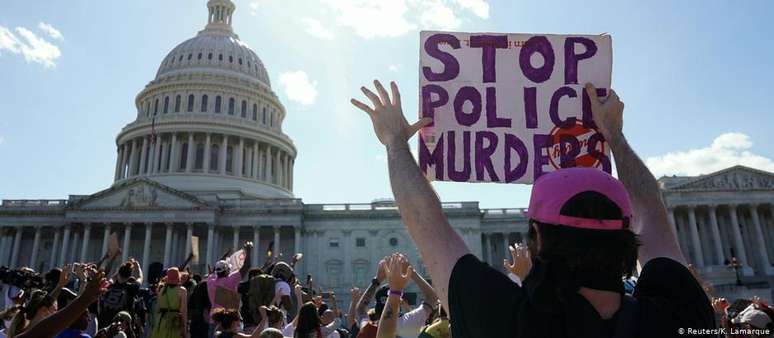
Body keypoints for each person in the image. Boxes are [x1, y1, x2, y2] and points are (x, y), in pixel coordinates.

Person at [351, 80, 715, 337]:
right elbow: (653, 212)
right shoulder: (683, 315)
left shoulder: (504, 320)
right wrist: (615, 135)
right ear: (626, 235)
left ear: (538, 236)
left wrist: (394, 142)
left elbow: (424, 220)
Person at [374, 254, 412, 338]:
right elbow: (430, 299)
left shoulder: (368, 328)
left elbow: (360, 310)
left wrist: (376, 281)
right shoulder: (407, 327)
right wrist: (411, 272)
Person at [99, 260, 143, 329]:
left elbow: (112, 278)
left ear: (119, 273)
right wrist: (138, 267)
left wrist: (120, 270)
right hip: (120, 326)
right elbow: (140, 278)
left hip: (103, 324)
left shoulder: (109, 286)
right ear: (129, 276)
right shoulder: (131, 288)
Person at [150, 268, 188, 338]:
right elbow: (183, 311)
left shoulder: (161, 290)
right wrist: (184, 329)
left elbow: (157, 309)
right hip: (174, 323)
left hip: (161, 322)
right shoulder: (182, 291)